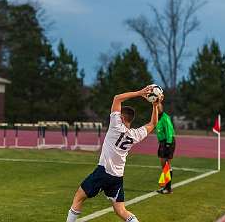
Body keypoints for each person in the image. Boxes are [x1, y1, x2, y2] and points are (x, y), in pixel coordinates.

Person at [66, 86, 162, 222]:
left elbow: (117, 98)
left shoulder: (115, 126)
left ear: (121, 117)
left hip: (103, 171)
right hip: (117, 177)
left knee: (78, 197)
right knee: (120, 210)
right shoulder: (135, 135)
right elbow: (153, 123)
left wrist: (139, 93)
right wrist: (155, 105)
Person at [156, 102, 176, 194]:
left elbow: (169, 130)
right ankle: (166, 187)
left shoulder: (165, 117)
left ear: (162, 108)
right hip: (162, 142)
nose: (158, 109)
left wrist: (168, 143)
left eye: (159, 107)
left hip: (168, 142)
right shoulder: (157, 117)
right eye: (156, 107)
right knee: (164, 165)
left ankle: (168, 188)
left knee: (167, 164)